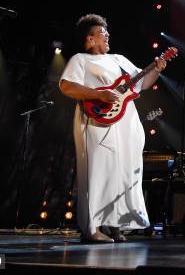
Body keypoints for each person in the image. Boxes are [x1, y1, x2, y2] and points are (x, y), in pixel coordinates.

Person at [59, 14, 166, 243]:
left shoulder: (119, 59)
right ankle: (91, 228)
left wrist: (156, 69)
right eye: (102, 33)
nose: (107, 35)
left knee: (122, 172)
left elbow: (142, 84)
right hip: (96, 121)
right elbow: (67, 86)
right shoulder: (81, 60)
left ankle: (114, 224)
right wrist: (99, 94)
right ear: (89, 39)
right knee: (97, 172)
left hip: (125, 122)